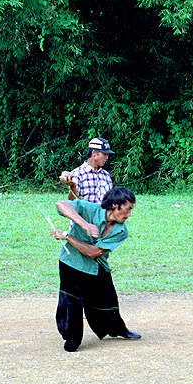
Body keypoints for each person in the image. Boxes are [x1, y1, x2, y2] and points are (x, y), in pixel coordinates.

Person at [48, 186, 141, 352]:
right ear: (115, 205)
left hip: (96, 265)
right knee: (71, 301)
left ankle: (118, 330)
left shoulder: (121, 231)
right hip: (72, 262)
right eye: (127, 209)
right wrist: (84, 224)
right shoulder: (89, 208)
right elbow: (61, 204)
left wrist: (66, 236)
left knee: (108, 300)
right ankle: (72, 340)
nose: (129, 215)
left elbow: (93, 253)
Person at [59, 137, 114, 203]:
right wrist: (72, 187)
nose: (107, 158)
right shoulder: (77, 174)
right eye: (104, 154)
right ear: (94, 154)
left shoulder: (106, 175)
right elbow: (73, 203)